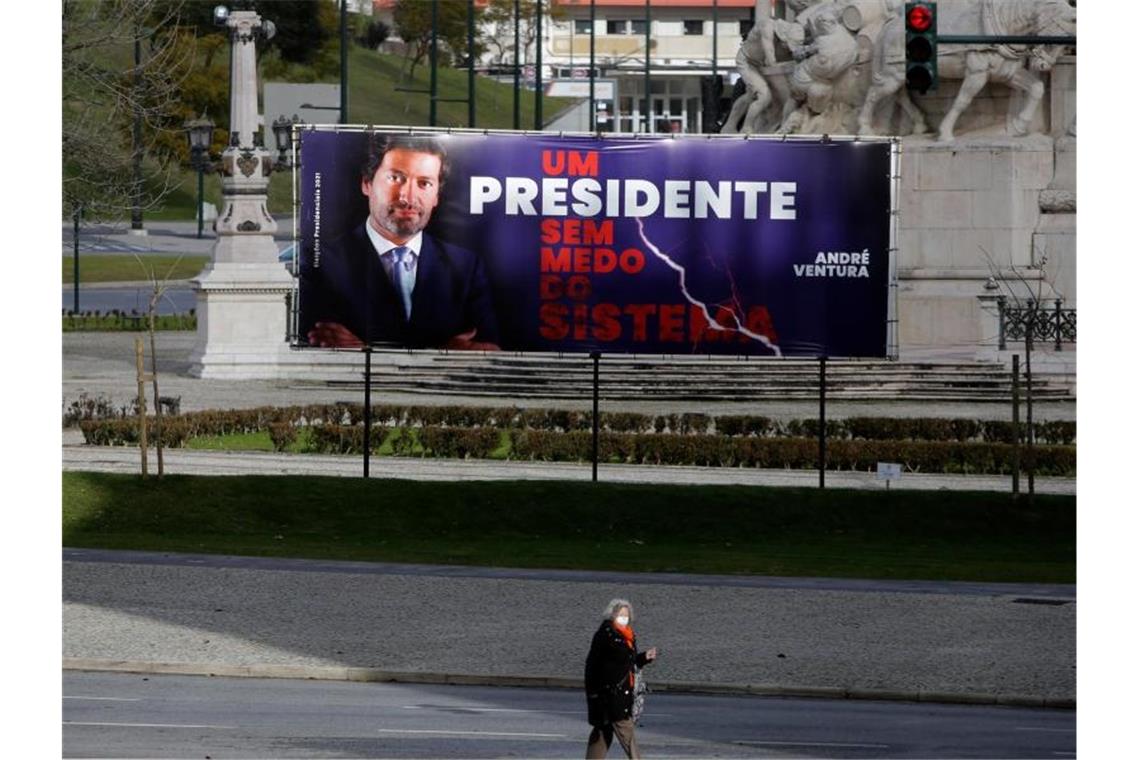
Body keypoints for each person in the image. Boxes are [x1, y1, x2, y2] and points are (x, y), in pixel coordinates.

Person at [300, 133, 500, 350]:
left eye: (424, 183)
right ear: (367, 184)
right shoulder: (319, 262)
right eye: (396, 178)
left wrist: (366, 349)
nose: (407, 197)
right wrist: (442, 354)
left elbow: (489, 350)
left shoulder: (466, 267)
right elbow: (318, 344)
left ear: (436, 198)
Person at [584, 598, 658, 759]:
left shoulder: (627, 636)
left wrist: (644, 657)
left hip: (619, 695)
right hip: (612, 697)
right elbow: (592, 666)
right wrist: (594, 695)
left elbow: (627, 663)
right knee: (628, 737)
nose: (624, 618)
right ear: (612, 615)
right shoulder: (605, 635)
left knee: (602, 735)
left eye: (627, 615)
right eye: (621, 614)